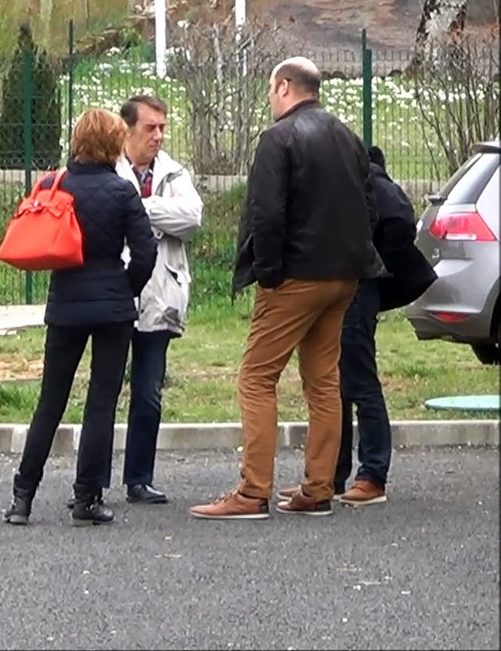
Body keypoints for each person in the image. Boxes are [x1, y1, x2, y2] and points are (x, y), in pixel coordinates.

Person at [190, 56, 383, 520]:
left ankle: (252, 491)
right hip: (344, 276)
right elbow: (369, 204)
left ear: (283, 87)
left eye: (270, 89)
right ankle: (318, 488)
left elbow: (267, 212)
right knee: (324, 380)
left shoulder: (278, 139)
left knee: (257, 377)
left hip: (295, 276)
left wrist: (268, 271)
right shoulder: (348, 137)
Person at [3, 108, 157, 526]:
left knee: (50, 401)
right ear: (114, 143)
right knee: (101, 403)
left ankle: (22, 498)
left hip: (66, 301)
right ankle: (87, 497)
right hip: (113, 307)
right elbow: (146, 252)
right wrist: (125, 287)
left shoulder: (56, 184)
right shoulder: (123, 191)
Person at [277, 144, 436, 507]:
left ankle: (372, 476)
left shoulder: (363, 176)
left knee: (359, 381)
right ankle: (331, 477)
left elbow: (399, 220)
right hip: (338, 284)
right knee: (334, 383)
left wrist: (373, 265)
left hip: (357, 287)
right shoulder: (343, 176)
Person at [89, 95, 203, 505]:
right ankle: (93, 482)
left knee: (148, 393)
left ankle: (139, 479)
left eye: (162, 127)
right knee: (104, 393)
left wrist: (137, 207)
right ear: (127, 130)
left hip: (159, 298)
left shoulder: (174, 172)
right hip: (116, 298)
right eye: (150, 127)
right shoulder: (108, 169)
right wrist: (155, 212)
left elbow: (191, 218)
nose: (158, 135)